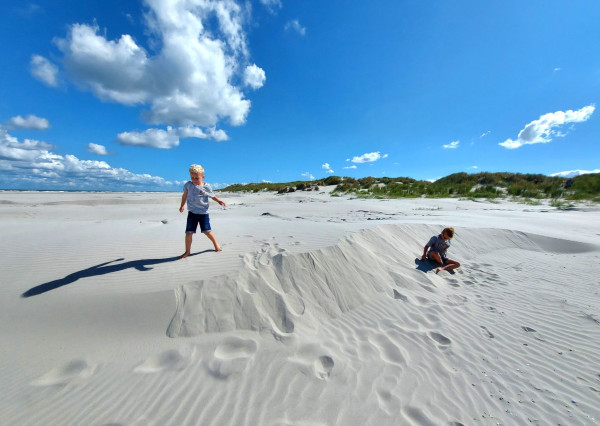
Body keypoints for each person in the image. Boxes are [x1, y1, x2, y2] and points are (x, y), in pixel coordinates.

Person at [179, 164, 226, 258]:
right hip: (192, 213)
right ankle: (187, 251)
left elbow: (212, 195)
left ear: (202, 177)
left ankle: (216, 245)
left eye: (197, 178)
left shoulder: (206, 186)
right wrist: (182, 205)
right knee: (188, 233)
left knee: (207, 231)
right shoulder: (188, 185)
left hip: (203, 213)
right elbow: (184, 195)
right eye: (192, 177)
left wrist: (219, 201)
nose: (194, 180)